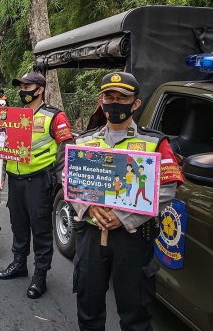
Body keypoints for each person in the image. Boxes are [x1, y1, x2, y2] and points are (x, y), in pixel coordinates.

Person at [71, 72, 183, 331]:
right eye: (109, 96)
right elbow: (70, 181)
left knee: (135, 313)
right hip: (90, 235)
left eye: (122, 97)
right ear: (100, 101)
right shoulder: (84, 142)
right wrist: (89, 207)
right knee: (88, 309)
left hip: (132, 240)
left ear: (135, 104)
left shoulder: (155, 143)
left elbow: (167, 190)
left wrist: (123, 218)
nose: (115, 102)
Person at [0, 72, 73, 299]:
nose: (23, 90)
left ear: (39, 89)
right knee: (18, 224)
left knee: (40, 230)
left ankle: (40, 273)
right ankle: (19, 264)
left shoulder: (55, 117)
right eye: (21, 86)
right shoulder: (13, 115)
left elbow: (67, 151)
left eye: (27, 86)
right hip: (15, 180)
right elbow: (3, 147)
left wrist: (60, 182)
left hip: (39, 181)